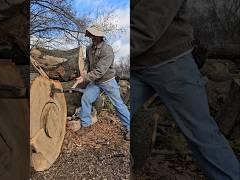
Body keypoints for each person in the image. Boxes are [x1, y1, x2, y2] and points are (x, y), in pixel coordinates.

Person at [131, 0, 240, 179]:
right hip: (136, 65)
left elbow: (146, 27)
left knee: (202, 136)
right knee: (119, 116)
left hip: (171, 64)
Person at [75, 25, 131, 140]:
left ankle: (130, 127)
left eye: (95, 35)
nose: (92, 37)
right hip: (95, 81)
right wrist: (85, 70)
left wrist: (85, 78)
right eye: (91, 35)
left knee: (118, 104)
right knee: (86, 98)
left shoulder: (107, 50)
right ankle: (86, 124)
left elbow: (100, 71)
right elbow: (87, 61)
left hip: (107, 80)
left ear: (100, 36)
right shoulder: (89, 48)